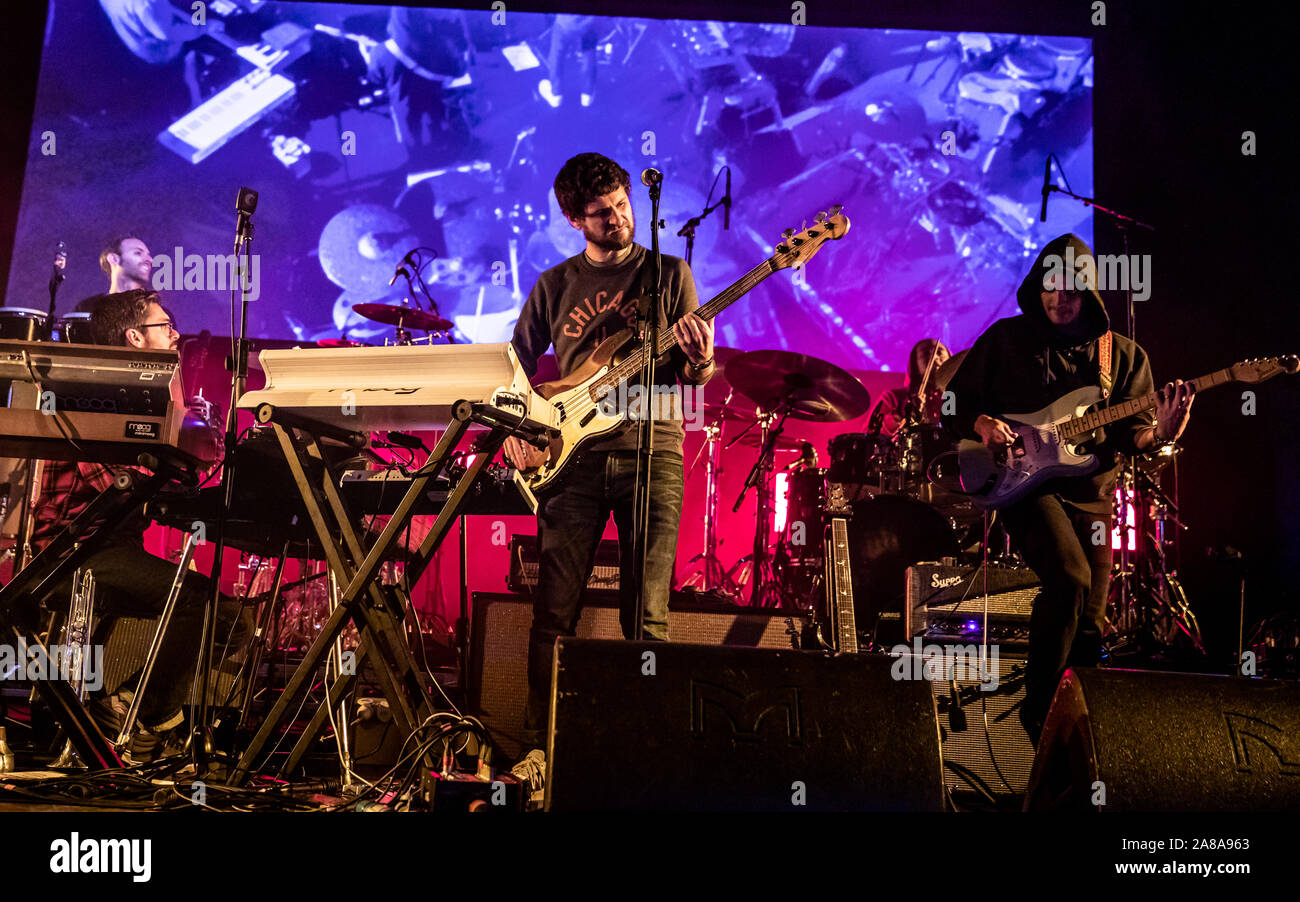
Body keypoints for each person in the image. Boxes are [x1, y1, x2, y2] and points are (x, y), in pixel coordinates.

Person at [503, 153, 714, 788]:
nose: (619, 218)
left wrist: (701, 362)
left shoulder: (670, 273)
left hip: (655, 449)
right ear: (574, 219)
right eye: (602, 213)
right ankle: (541, 751)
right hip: (573, 458)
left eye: (623, 205)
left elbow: (690, 374)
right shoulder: (553, 284)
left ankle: (640, 751)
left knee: (647, 616)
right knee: (554, 614)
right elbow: (511, 369)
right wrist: (520, 431)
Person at [942, 234, 1194, 740]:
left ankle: (1076, 735)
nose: (1061, 298)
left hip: (1093, 491)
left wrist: (1163, 430)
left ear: (1090, 294)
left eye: (1073, 289)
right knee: (1069, 577)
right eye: (1052, 286)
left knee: (1091, 624)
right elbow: (950, 406)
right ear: (1038, 287)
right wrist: (982, 423)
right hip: (1023, 486)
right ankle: (1036, 711)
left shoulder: (1121, 357)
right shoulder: (1005, 340)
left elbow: (1136, 436)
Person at [29, 289, 251, 762]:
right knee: (201, 604)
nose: (175, 335)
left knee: (231, 618)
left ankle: (132, 713)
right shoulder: (96, 395)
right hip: (72, 554)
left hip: (110, 546)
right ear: (134, 337)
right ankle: (137, 714)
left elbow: (160, 481)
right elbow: (123, 486)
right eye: (165, 326)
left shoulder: (143, 397)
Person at [868, 338, 951, 437]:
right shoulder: (892, 398)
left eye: (939, 352)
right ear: (915, 363)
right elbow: (869, 435)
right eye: (926, 353)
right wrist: (900, 417)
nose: (934, 357)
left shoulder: (957, 397)